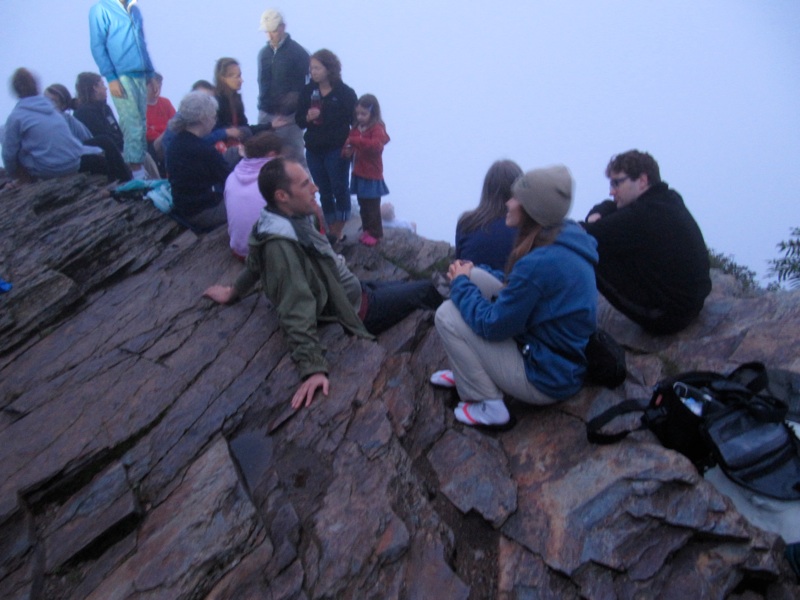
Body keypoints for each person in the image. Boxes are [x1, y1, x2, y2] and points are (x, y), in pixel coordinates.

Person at [203, 157, 443, 409]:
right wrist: (313, 369)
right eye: (306, 184)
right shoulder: (281, 248)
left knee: (418, 284)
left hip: (353, 290)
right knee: (429, 290)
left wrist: (234, 291)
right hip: (357, 310)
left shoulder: (276, 218)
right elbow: (294, 309)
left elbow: (254, 264)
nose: (315, 188)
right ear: (282, 195)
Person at [432, 165, 598, 428]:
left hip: (546, 377)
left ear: (533, 209)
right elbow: (516, 286)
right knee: (474, 275)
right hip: (555, 358)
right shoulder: (560, 238)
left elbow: (494, 325)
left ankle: (488, 404)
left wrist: (461, 284)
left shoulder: (540, 263)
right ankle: (468, 373)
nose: (508, 203)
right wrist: (470, 272)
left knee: (447, 314)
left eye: (516, 198)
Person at [582, 150, 711, 335]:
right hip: (689, 304)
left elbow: (583, 234)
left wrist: (592, 221)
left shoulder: (644, 216)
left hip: (667, 317)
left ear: (642, 181)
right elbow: (610, 207)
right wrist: (598, 213)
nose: (612, 191)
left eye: (617, 183)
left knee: (583, 249)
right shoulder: (667, 199)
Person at [2, 68, 108, 183]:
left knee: (10, 141)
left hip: (49, 169)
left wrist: (12, 174)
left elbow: (9, 154)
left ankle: (22, 183)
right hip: (74, 163)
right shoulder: (53, 111)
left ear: (16, 91)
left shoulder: (17, 116)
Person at [89, 0, 155, 180]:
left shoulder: (135, 9)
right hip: (122, 75)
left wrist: (151, 74)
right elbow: (98, 46)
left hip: (140, 73)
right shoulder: (101, 9)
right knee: (131, 123)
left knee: (141, 123)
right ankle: (136, 174)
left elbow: (142, 42)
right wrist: (111, 78)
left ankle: (141, 172)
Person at [296, 49, 357, 243]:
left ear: (329, 69)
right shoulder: (307, 92)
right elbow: (299, 120)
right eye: (311, 68)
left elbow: (355, 122)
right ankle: (331, 227)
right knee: (323, 189)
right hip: (314, 149)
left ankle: (339, 228)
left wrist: (350, 145)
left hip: (336, 148)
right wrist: (307, 117)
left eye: (317, 68)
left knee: (339, 187)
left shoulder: (345, 93)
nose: (312, 72)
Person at [166, 91, 231, 231]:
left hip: (183, 207)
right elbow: (230, 180)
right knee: (255, 201)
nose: (215, 120)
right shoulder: (203, 150)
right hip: (202, 213)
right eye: (214, 116)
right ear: (203, 118)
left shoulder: (176, 143)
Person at [44, 82, 131, 182]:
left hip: (74, 154)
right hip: (61, 160)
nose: (47, 104)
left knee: (104, 143)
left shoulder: (68, 121)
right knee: (104, 143)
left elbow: (87, 139)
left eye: (53, 101)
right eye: (45, 100)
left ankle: (127, 182)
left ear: (63, 105)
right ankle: (126, 182)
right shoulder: (45, 121)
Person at [224, 131, 283, 259]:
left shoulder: (232, 177)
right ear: (272, 155)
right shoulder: (273, 180)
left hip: (239, 250)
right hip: (265, 256)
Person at [455, 160, 522, 271]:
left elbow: (459, 263)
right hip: (510, 286)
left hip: (466, 284)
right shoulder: (524, 227)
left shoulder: (466, 222)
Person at [342, 94, 390, 247]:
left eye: (364, 114)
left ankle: (376, 233)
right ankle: (367, 230)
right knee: (363, 203)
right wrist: (346, 151)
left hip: (372, 173)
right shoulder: (356, 128)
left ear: (373, 113)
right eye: (358, 114)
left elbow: (376, 146)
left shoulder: (377, 128)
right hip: (358, 171)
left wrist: (355, 141)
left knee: (372, 205)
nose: (360, 117)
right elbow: (347, 145)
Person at [256, 9, 309, 125]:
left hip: (290, 116)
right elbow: (262, 83)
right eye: (267, 31)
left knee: (292, 144)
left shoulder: (298, 53)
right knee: (262, 143)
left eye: (273, 30)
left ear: (283, 27)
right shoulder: (263, 54)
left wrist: (291, 106)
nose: (269, 36)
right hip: (266, 113)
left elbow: (307, 85)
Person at [73, 72, 125, 153]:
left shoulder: (105, 108)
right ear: (95, 88)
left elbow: (118, 133)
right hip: (107, 155)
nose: (106, 88)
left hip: (121, 149)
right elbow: (102, 137)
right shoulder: (84, 113)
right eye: (102, 85)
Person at [145, 72, 176, 176]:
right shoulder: (140, 108)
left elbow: (176, 122)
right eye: (153, 85)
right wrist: (166, 132)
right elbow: (147, 133)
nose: (157, 88)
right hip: (152, 145)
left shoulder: (165, 102)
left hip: (170, 138)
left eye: (159, 85)